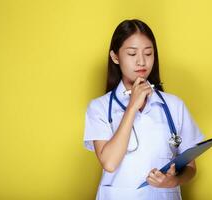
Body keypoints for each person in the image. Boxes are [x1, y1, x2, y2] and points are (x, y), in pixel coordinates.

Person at [83, 19, 204, 200]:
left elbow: (191, 169)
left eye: (148, 53)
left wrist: (172, 181)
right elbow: (109, 162)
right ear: (115, 57)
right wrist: (132, 107)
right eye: (132, 54)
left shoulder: (174, 106)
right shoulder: (99, 107)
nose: (141, 61)